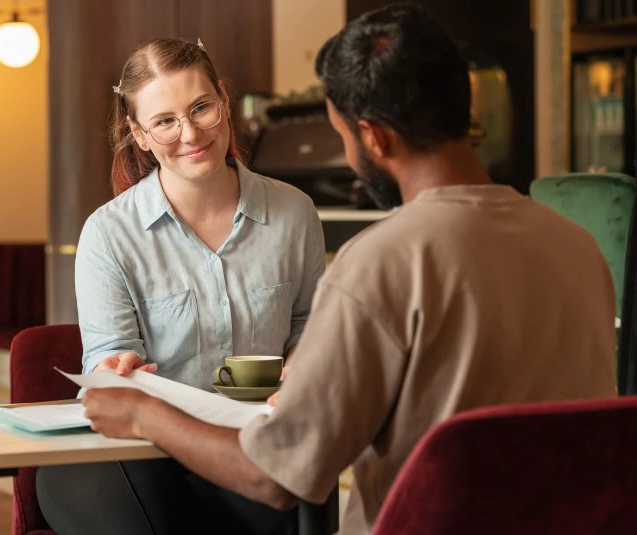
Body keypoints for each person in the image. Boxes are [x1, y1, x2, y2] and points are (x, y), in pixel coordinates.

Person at [79, 4, 618, 534]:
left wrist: (144, 415)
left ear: (374, 139)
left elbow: (279, 473)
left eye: (341, 135)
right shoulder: (581, 248)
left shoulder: (378, 264)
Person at [36, 37, 325, 535]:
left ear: (224, 103)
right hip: (136, 458)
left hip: (248, 451)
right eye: (165, 121)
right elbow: (107, 360)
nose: (189, 133)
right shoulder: (108, 233)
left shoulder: (294, 212)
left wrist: (302, 363)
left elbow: (309, 326)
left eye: (201, 109)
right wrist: (115, 368)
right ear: (139, 134)